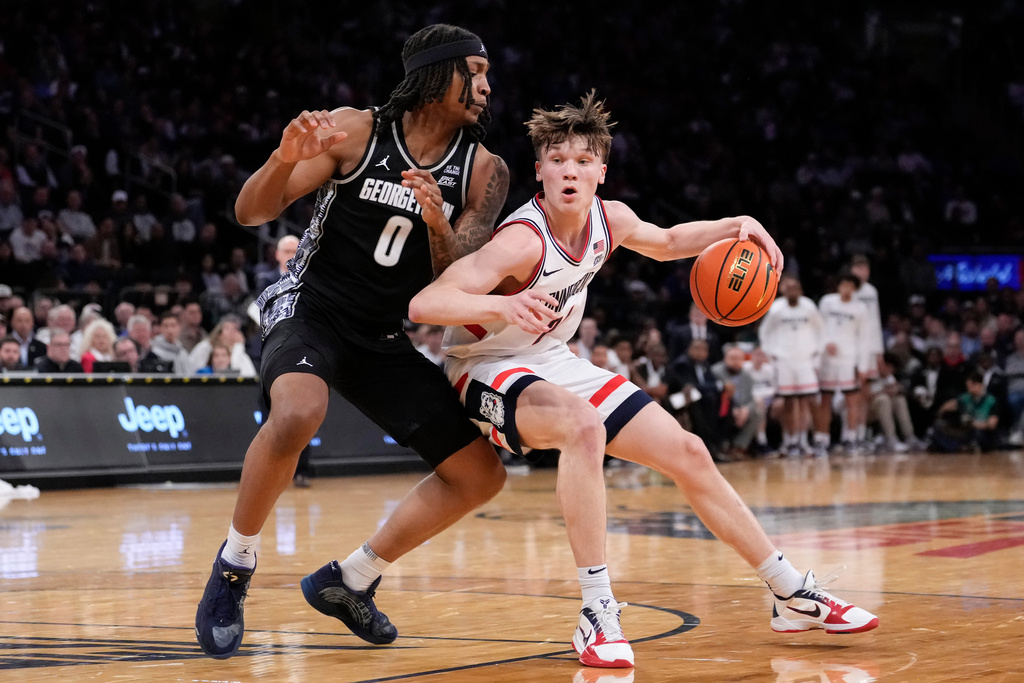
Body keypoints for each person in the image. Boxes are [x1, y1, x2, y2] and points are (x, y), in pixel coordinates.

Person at [409, 92, 876, 669]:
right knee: (583, 429)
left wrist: (737, 224)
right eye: (558, 160)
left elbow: (671, 242)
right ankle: (596, 610)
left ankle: (788, 592)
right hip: (482, 365)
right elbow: (427, 302)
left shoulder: (612, 219)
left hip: (548, 358)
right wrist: (505, 307)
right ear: (540, 171)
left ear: (601, 172)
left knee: (688, 449)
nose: (570, 170)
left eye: (583, 160)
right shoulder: (521, 239)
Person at [195, 24, 512, 660]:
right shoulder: (355, 131)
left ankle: (350, 580)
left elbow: (461, 273)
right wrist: (283, 157)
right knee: (300, 410)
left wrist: (437, 226)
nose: (486, 84)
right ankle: (234, 567)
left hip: (381, 334)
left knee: (480, 477)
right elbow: (250, 212)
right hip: (310, 308)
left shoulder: (485, 171)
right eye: (472, 71)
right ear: (435, 74)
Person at [757, 274, 823, 457]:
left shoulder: (809, 306)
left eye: (795, 288)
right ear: (783, 291)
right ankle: (789, 441)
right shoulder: (776, 308)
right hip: (784, 361)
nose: (792, 291)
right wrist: (771, 357)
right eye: (788, 288)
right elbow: (765, 333)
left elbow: (820, 331)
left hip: (805, 360)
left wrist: (816, 357)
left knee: (805, 402)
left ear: (800, 291)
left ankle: (803, 441)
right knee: (788, 402)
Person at [814, 273, 870, 454]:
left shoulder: (861, 308)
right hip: (828, 358)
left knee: (852, 400)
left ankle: (851, 438)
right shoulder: (827, 302)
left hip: (848, 357)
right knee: (825, 399)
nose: (846, 289)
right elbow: (818, 327)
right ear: (838, 286)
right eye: (843, 284)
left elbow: (863, 338)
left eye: (850, 286)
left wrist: (862, 366)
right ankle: (822, 439)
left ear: (854, 289)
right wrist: (824, 344)